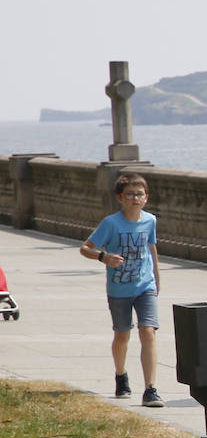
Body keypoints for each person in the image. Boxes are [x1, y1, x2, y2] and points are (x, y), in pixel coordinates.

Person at [81, 172, 163, 407]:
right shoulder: (111, 223)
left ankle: (151, 389)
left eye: (139, 194)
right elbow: (85, 248)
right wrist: (103, 257)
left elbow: (151, 247)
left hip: (145, 286)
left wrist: (157, 276)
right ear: (120, 198)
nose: (135, 199)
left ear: (146, 197)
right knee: (122, 334)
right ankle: (121, 375)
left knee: (148, 332)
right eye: (130, 195)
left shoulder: (150, 220)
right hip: (119, 289)